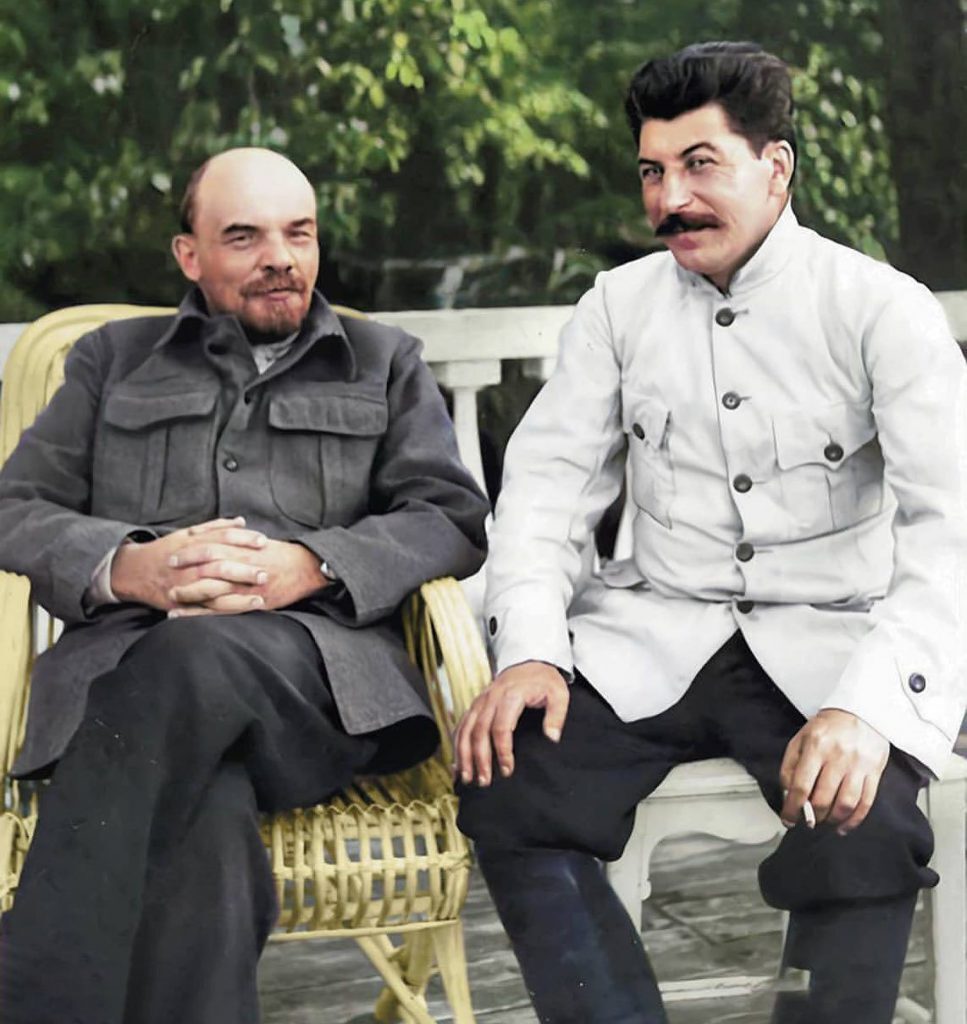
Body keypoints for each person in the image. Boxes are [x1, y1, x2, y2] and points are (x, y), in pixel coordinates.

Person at [455, 41, 967, 1024]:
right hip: (658, 635)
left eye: (699, 165)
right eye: (652, 171)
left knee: (858, 821)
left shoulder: (878, 309)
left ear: (775, 168)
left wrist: (867, 709)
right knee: (510, 781)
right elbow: (547, 493)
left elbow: (951, 529)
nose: (670, 200)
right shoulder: (618, 308)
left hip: (828, 643)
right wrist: (530, 651)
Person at [0, 147, 489, 1024]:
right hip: (135, 691)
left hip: (315, 689)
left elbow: (448, 516)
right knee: (204, 835)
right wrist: (129, 567)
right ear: (188, 255)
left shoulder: (382, 361)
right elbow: (15, 507)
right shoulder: (114, 360)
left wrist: (313, 566)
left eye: (299, 234)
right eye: (245, 237)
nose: (281, 258)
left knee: (191, 657)